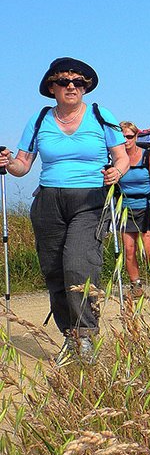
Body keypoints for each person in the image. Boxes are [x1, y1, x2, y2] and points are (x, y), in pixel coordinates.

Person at [0, 58, 128, 365]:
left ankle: (85, 337)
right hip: (48, 202)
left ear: (85, 88)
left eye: (78, 82)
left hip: (90, 200)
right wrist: (7, 162)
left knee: (78, 265)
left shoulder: (100, 115)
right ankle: (70, 338)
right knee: (55, 272)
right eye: (65, 82)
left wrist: (117, 173)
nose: (72, 87)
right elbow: (23, 165)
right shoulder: (40, 119)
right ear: (51, 87)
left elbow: (121, 158)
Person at [117, 122, 150, 298]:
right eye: (122, 137)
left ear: (136, 137)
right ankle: (136, 286)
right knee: (129, 250)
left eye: (129, 136)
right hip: (124, 209)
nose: (126, 140)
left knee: (145, 248)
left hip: (146, 207)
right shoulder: (116, 158)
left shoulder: (148, 157)